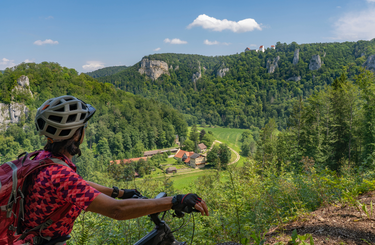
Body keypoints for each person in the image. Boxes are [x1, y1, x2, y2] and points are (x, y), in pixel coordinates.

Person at [21, 95, 209, 244]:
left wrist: (118, 192)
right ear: (77, 133)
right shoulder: (59, 174)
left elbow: (80, 185)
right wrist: (176, 200)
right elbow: (116, 211)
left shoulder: (43, 159)